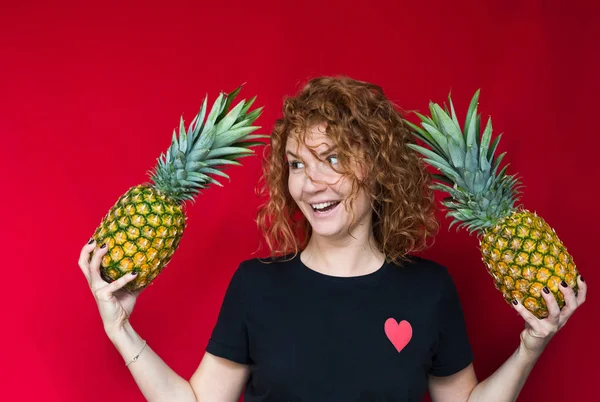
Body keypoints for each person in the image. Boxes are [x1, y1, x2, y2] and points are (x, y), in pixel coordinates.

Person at [79, 76, 587, 402]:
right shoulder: (257, 286)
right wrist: (120, 327)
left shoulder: (429, 289)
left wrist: (530, 346)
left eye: (335, 160)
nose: (310, 182)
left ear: (380, 169)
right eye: (298, 164)